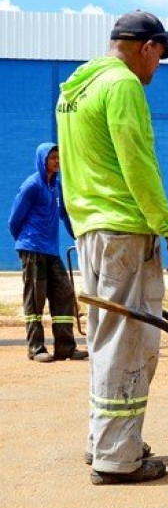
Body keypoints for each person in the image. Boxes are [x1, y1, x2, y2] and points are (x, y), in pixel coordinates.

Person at [55, 10, 168, 485]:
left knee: (106, 341)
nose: (158, 68)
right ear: (148, 46)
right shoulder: (123, 87)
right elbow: (139, 166)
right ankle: (117, 457)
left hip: (92, 233)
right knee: (131, 344)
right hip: (123, 232)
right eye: (160, 57)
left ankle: (105, 440)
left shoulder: (76, 91)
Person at [8, 143, 88, 363]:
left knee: (64, 293)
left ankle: (65, 348)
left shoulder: (57, 186)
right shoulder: (31, 186)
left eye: (58, 158)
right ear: (42, 160)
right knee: (35, 299)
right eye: (52, 158)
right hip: (32, 248)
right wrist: (25, 244)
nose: (56, 161)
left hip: (51, 250)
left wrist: (77, 235)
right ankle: (36, 348)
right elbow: (14, 220)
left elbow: (64, 215)